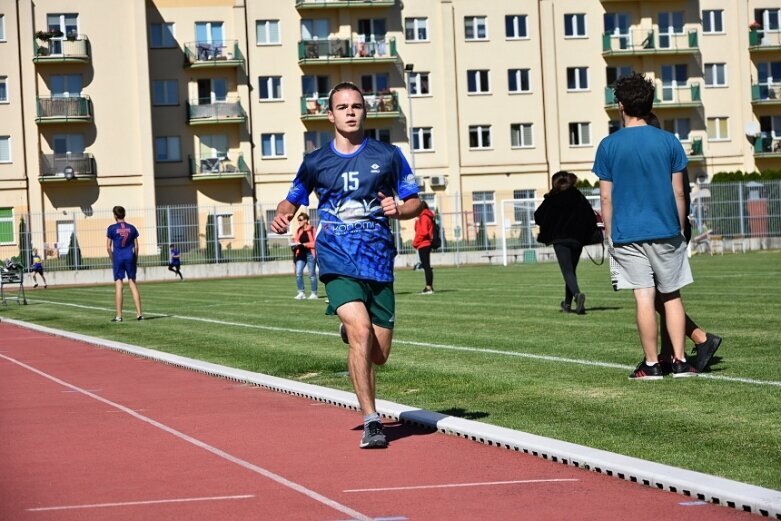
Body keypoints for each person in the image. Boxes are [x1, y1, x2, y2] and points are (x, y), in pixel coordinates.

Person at [271, 81, 422, 448]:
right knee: (359, 330)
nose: (350, 112)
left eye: (356, 106)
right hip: (336, 259)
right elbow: (291, 200)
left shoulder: (389, 155)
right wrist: (281, 215)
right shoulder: (315, 162)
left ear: (364, 112)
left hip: (378, 259)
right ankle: (372, 420)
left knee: (380, 354)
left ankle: (353, 332)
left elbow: (415, 202)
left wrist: (399, 210)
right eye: (343, 107)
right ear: (330, 115)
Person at [593, 72, 696, 380]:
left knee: (643, 296)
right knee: (672, 295)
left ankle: (651, 364)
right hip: (666, 229)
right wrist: (679, 228)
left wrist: (609, 233)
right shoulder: (669, 141)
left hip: (627, 232)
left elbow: (606, 197)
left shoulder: (608, 145)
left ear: (620, 105)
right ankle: (679, 361)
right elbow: (679, 191)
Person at [644, 113, 722, 373]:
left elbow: (674, 191)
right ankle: (668, 354)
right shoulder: (668, 147)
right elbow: (680, 191)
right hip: (675, 224)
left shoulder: (654, 152)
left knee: (658, 295)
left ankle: (700, 338)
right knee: (665, 293)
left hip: (662, 227)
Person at [534, 171, 597, 315]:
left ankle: (577, 295)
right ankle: (567, 304)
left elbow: (538, 216)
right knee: (571, 272)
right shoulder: (578, 196)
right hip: (577, 240)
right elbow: (590, 216)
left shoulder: (552, 198)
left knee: (567, 271)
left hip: (560, 239)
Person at [106, 205, 143, 322]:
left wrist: (113, 259)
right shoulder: (132, 228)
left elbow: (108, 247)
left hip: (118, 258)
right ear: (124, 214)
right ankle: (139, 314)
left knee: (119, 285)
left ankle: (119, 316)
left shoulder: (111, 228)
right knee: (132, 283)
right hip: (129, 257)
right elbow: (136, 246)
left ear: (115, 216)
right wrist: (135, 259)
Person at [292, 212, 318, 300]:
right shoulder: (299, 230)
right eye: (298, 220)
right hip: (301, 254)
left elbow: (315, 243)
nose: (299, 222)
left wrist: (305, 244)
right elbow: (296, 240)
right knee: (298, 273)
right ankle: (301, 292)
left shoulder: (312, 229)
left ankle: (314, 293)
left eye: (300, 220)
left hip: (310, 253)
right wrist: (294, 244)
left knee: (311, 274)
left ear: (306, 220)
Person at [412, 201, 435, 294]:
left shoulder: (424, 217)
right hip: (424, 244)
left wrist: (415, 242)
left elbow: (423, 232)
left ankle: (428, 287)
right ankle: (429, 287)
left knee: (426, 266)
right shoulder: (424, 217)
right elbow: (418, 229)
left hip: (423, 244)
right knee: (426, 266)